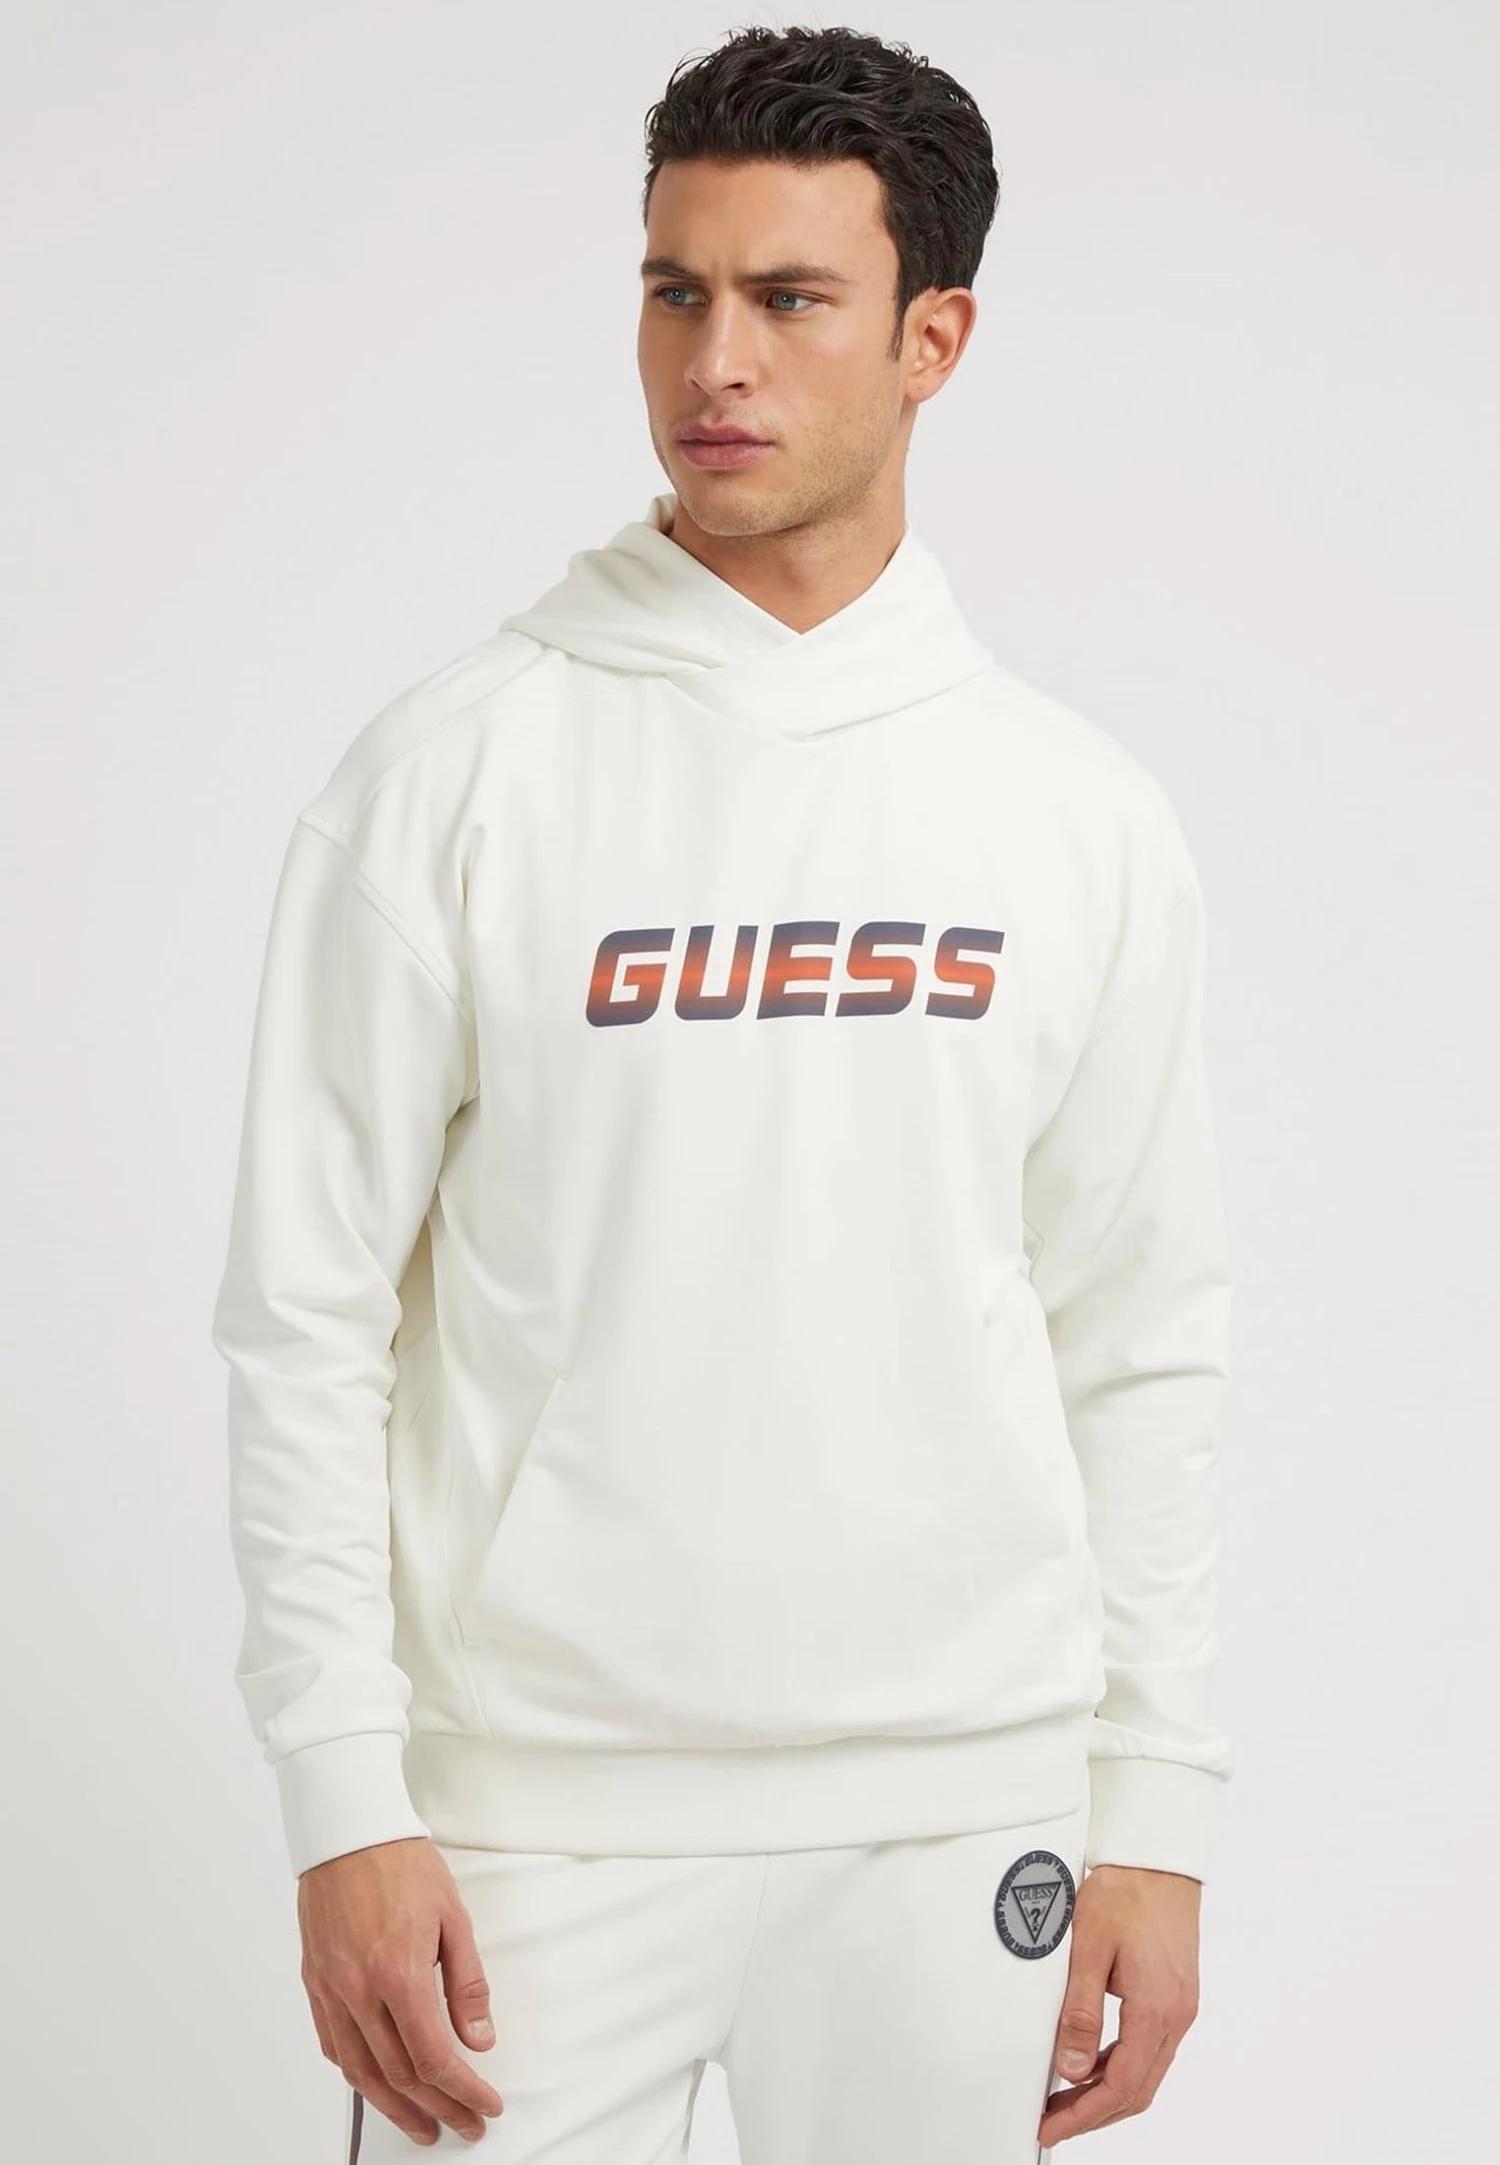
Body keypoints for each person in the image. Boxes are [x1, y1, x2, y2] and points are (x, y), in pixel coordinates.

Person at [210, 25, 1234, 2163]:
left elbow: (1139, 1332)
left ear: (934, 337)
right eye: (676, 291)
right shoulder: (455, 775)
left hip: (953, 1810)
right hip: (528, 1824)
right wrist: (342, 1798)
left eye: (790, 298)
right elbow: (302, 1319)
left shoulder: (1075, 814)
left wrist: (1153, 1806)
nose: (717, 361)